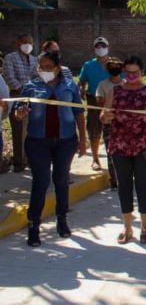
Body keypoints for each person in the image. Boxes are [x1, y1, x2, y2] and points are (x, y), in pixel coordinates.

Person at [13, 52, 87, 247]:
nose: (45, 71)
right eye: (41, 67)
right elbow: (19, 111)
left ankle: (62, 219)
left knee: (61, 180)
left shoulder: (70, 86)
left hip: (65, 141)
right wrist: (20, 113)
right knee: (41, 181)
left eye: (49, 67)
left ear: (57, 67)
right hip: (38, 142)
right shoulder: (31, 87)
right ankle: (33, 225)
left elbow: (79, 113)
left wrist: (83, 139)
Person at [100, 56, 146, 245]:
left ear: (142, 72)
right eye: (129, 72)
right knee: (123, 186)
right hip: (120, 146)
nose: (132, 75)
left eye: (135, 72)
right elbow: (103, 115)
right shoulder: (115, 91)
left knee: (143, 185)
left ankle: (144, 227)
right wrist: (106, 116)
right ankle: (127, 227)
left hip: (143, 147)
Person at [3, 33, 38, 172]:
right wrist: (26, 90)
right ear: (18, 43)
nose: (27, 45)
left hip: (35, 98)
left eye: (30, 43)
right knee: (19, 130)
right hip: (18, 96)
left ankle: (31, 159)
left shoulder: (35, 60)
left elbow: (38, 76)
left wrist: (34, 91)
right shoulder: (10, 58)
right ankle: (19, 163)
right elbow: (9, 78)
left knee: (32, 129)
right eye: (24, 42)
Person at [79, 37, 111, 171]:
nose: (100, 48)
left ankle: (113, 159)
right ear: (94, 49)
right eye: (98, 46)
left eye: (103, 46)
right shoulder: (88, 65)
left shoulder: (114, 64)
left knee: (112, 131)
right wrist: (81, 88)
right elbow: (82, 81)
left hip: (111, 99)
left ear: (108, 47)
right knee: (94, 130)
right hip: (93, 99)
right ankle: (95, 159)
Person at [96, 57, 124, 190]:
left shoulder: (126, 84)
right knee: (111, 152)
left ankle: (125, 178)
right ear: (107, 69)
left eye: (117, 66)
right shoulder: (102, 85)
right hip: (109, 123)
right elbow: (100, 101)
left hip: (125, 124)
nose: (115, 69)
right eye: (112, 66)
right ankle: (114, 181)